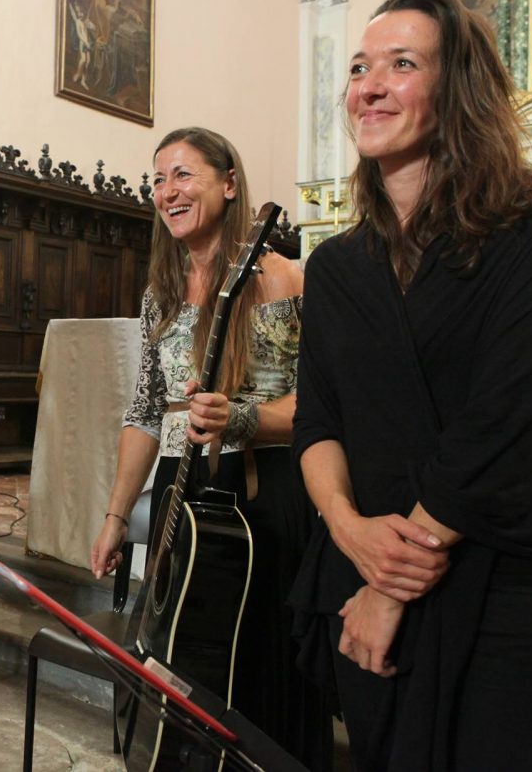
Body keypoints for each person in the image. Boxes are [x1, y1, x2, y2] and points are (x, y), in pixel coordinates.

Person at [290, 0, 532, 771]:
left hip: (508, 596)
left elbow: (506, 430)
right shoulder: (334, 267)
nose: (368, 84)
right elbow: (317, 421)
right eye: (361, 66)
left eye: (402, 64)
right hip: (362, 577)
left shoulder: (529, 230)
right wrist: (347, 528)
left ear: (457, 89)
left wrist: (391, 586)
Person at [89, 127, 332, 769]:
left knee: (255, 671)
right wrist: (117, 517)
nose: (167, 191)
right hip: (181, 490)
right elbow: (144, 412)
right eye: (158, 179)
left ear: (229, 184)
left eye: (183, 175)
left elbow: (319, 410)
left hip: (262, 498)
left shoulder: (282, 280)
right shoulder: (160, 297)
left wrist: (242, 419)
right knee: (182, 662)